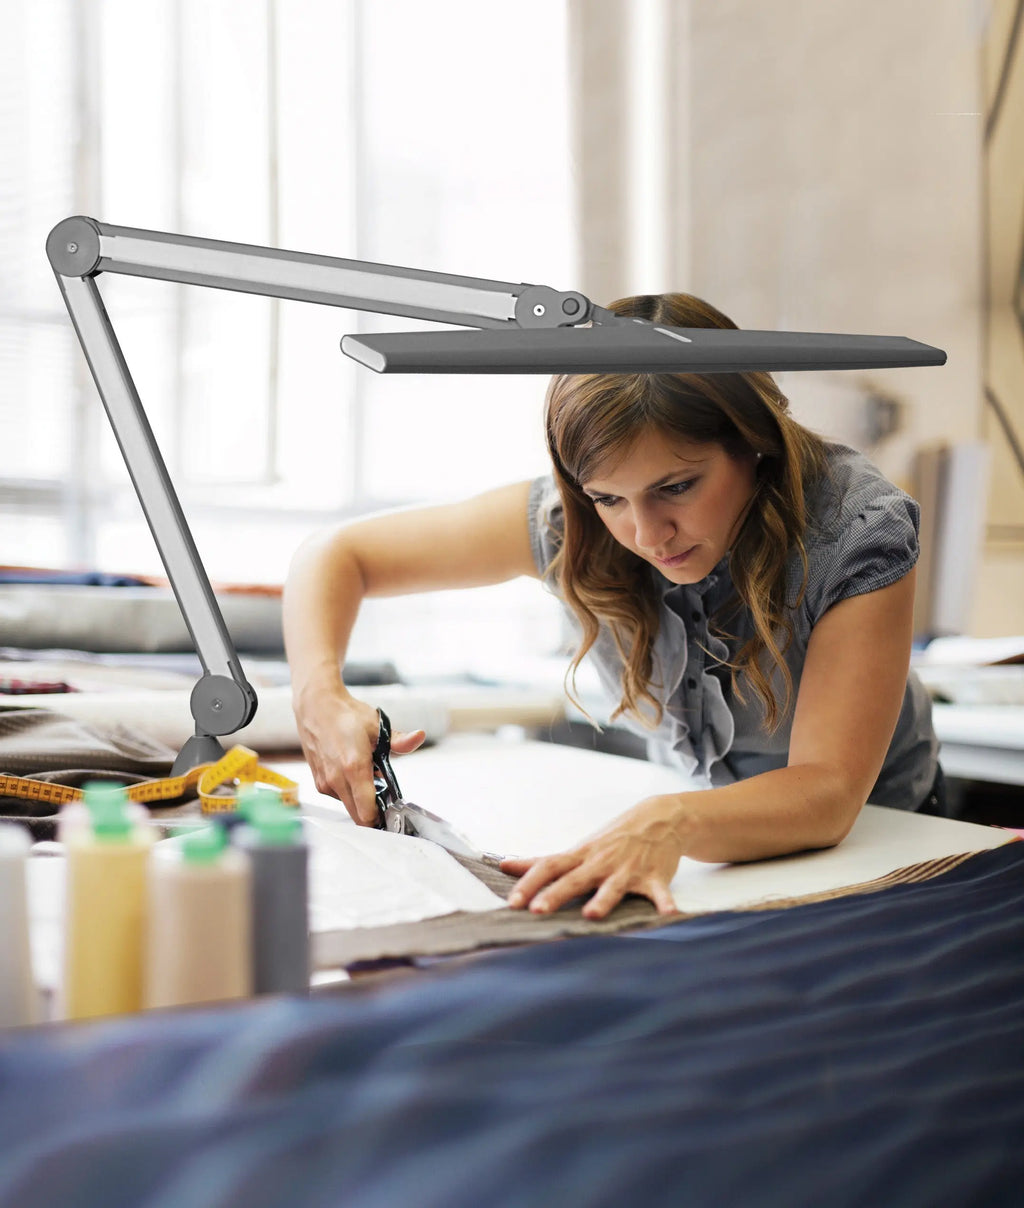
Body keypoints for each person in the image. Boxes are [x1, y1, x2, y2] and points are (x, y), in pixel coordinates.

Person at [283, 292, 942, 922]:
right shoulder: (568, 521)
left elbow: (827, 793)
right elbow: (337, 554)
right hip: (717, 854)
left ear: (754, 442)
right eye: (608, 498)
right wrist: (318, 695)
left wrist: (669, 819)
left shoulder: (854, 527)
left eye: (676, 487)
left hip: (888, 843)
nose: (648, 534)